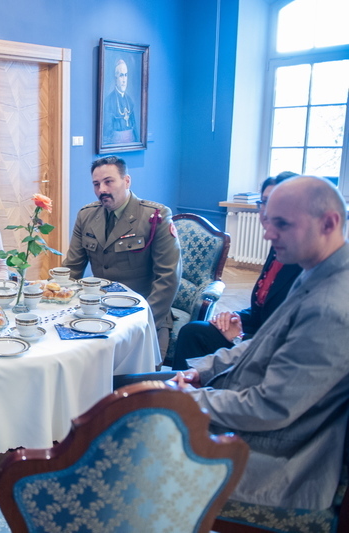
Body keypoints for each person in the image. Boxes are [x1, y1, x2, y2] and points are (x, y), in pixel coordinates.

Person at [123, 176, 349, 510]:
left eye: (282, 224)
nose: (268, 234)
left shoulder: (332, 308)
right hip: (243, 410)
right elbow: (263, 341)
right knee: (122, 388)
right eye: (268, 221)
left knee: (122, 434)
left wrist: (187, 399)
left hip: (271, 456)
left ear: (329, 223)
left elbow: (270, 409)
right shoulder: (316, 270)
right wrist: (202, 372)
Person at [172, 171, 301, 369]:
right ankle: (184, 386)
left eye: (278, 202)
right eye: (264, 202)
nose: (266, 211)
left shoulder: (307, 263)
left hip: (274, 348)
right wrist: (234, 317)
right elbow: (262, 308)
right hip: (258, 329)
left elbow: (291, 341)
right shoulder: (277, 248)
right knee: (192, 331)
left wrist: (238, 338)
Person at [63, 156, 181, 357]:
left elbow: (168, 278)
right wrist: (56, 296)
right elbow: (72, 268)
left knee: (139, 373)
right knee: (79, 360)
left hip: (144, 312)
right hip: (98, 311)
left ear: (126, 181)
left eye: (108, 181)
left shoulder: (155, 217)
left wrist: (143, 321)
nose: (102, 190)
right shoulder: (86, 215)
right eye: (96, 184)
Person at [102, 59, 139, 145]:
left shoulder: (129, 100)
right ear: (115, 79)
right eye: (121, 75)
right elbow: (107, 131)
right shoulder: (109, 101)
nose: (124, 80)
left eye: (126, 75)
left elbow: (134, 127)